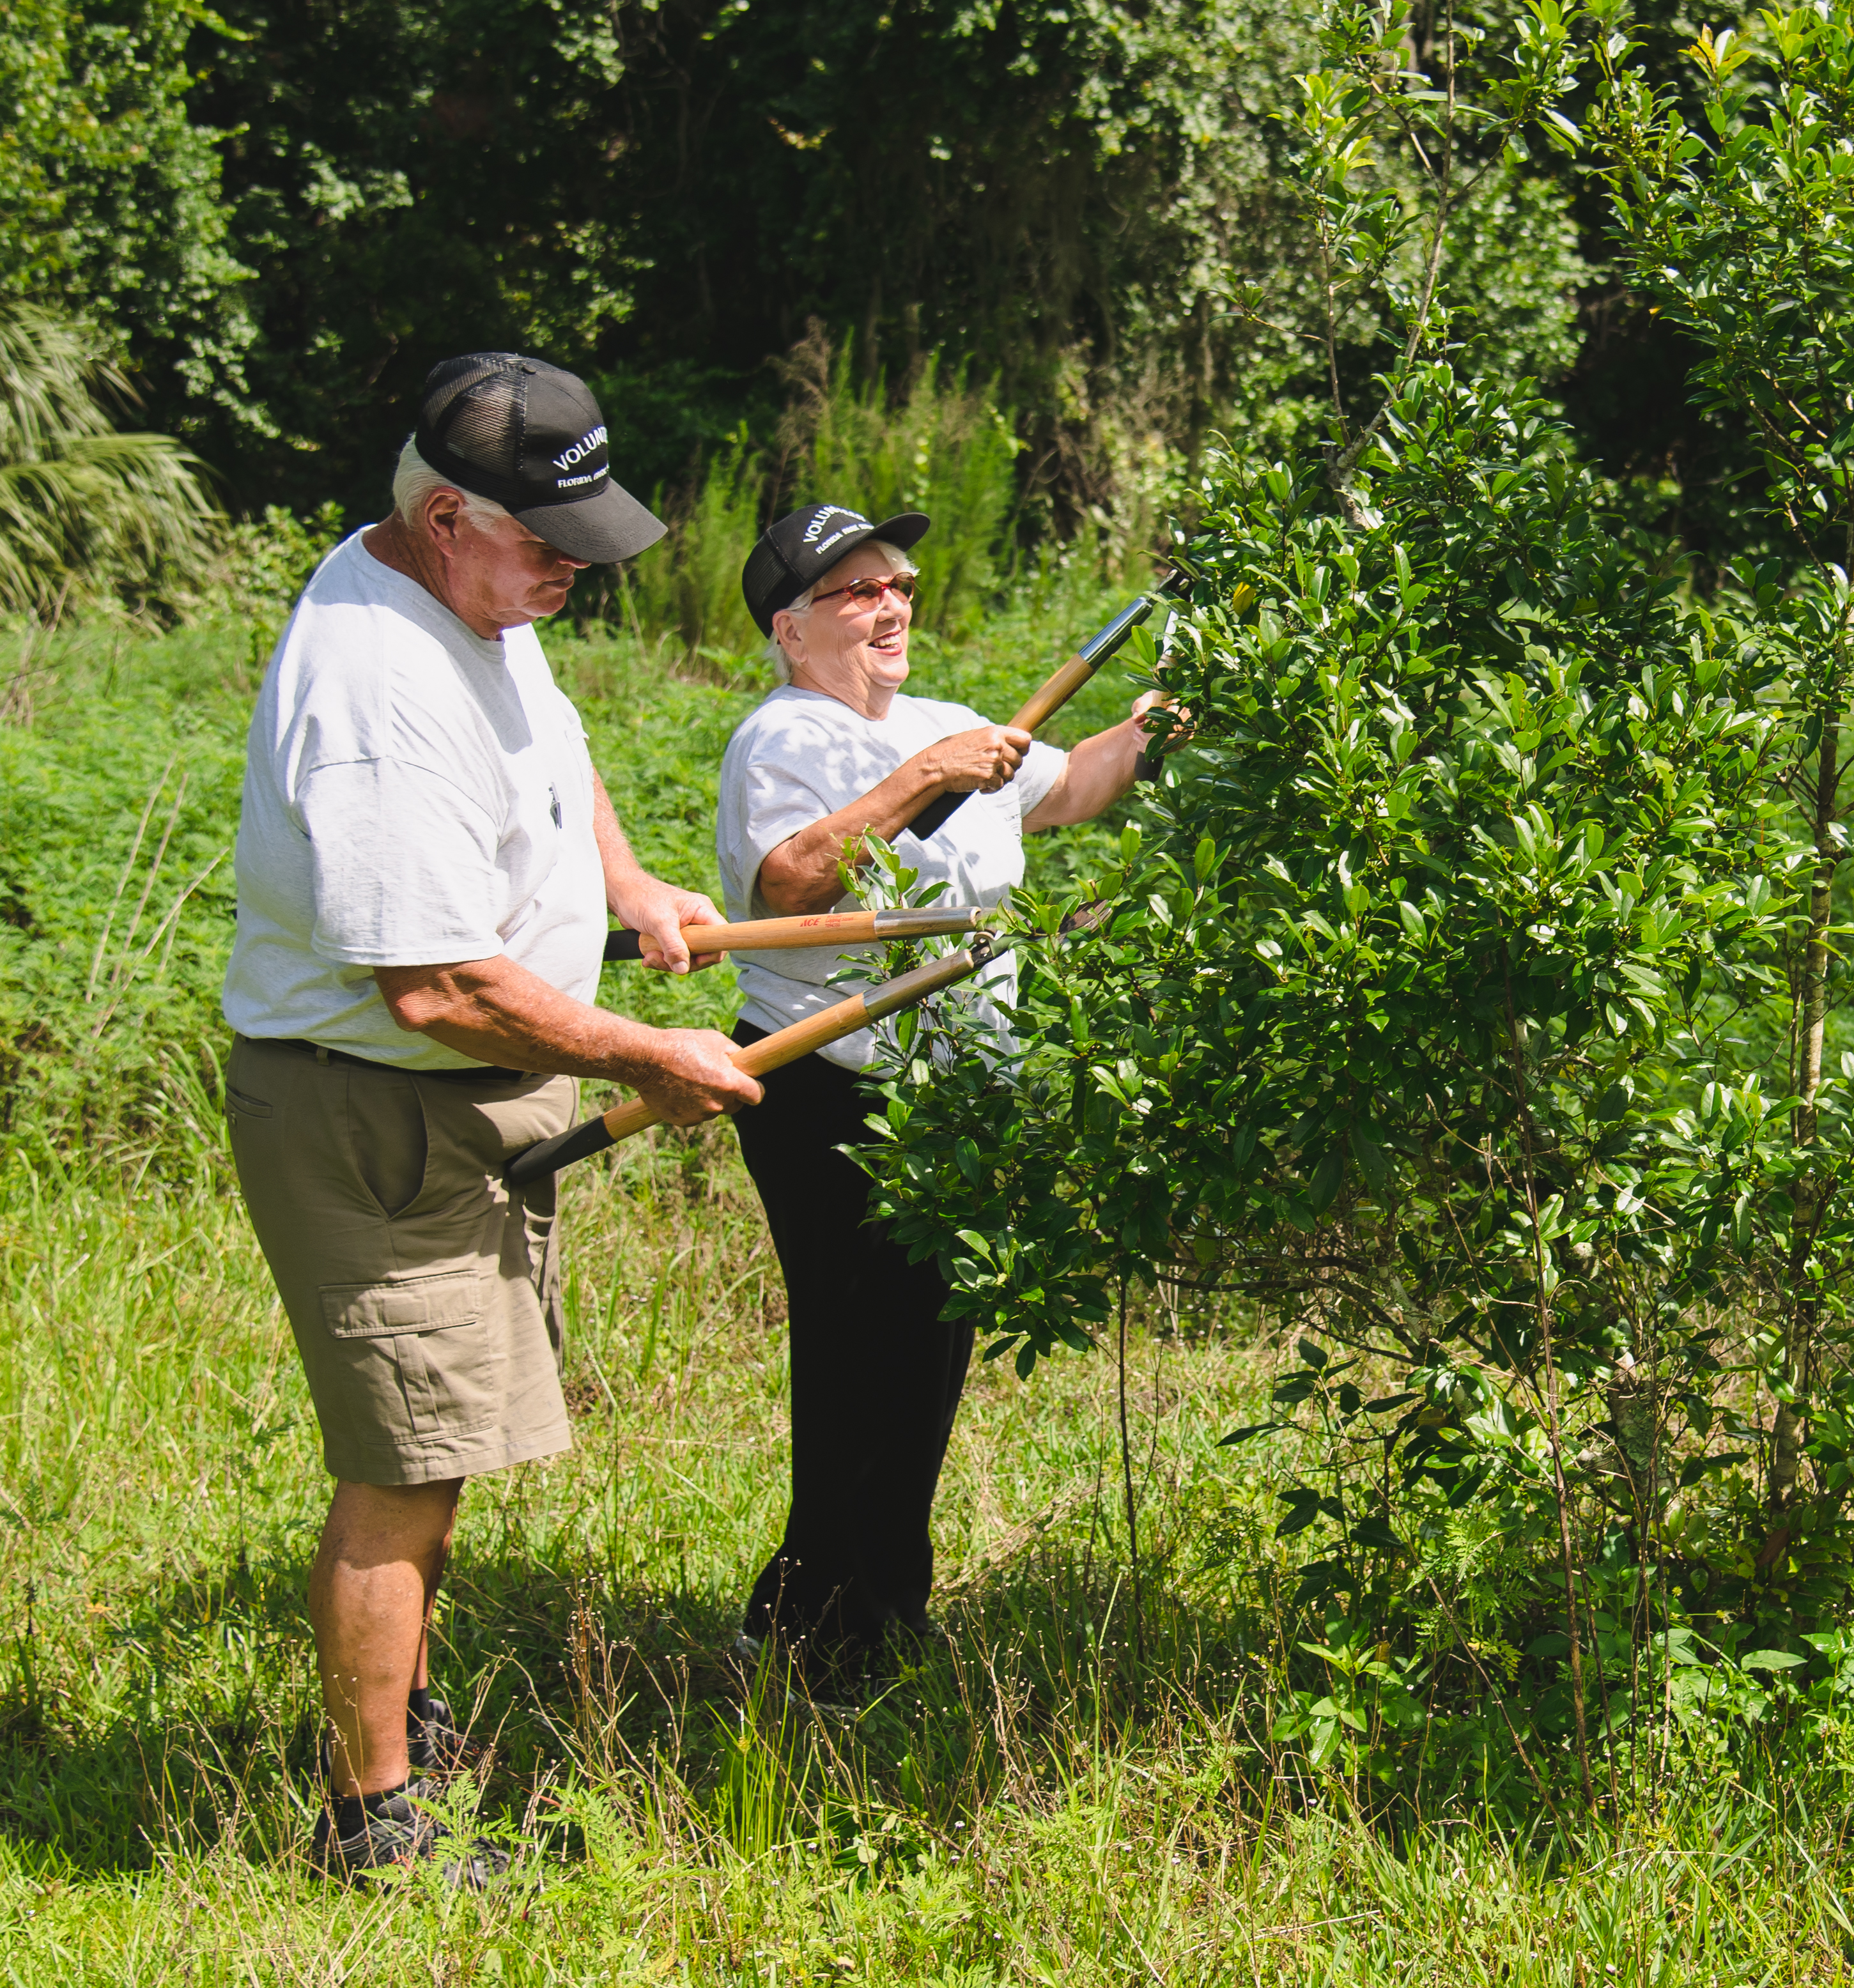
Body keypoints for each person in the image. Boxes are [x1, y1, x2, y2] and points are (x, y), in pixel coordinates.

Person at [223, 353, 762, 1884]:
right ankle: (376, 1821)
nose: (573, 583)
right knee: (401, 1466)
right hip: (378, 1115)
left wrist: (633, 885)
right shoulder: (375, 695)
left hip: (453, 1108)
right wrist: (636, 1053)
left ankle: (408, 1725)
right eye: (550, 549)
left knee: (440, 1444)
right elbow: (437, 988)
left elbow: (557, 748)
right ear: (447, 514)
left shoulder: (467, 595)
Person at [711, 503, 1157, 1687]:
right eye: (858, 592)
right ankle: (826, 1635)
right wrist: (921, 779)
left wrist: (1163, 718)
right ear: (790, 626)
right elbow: (795, 884)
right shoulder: (782, 737)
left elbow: (1076, 788)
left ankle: (857, 1608)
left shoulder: (956, 723)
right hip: (831, 1082)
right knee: (858, 1353)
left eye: (899, 584)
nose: (893, 606)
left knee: (925, 1359)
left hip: (956, 1101)